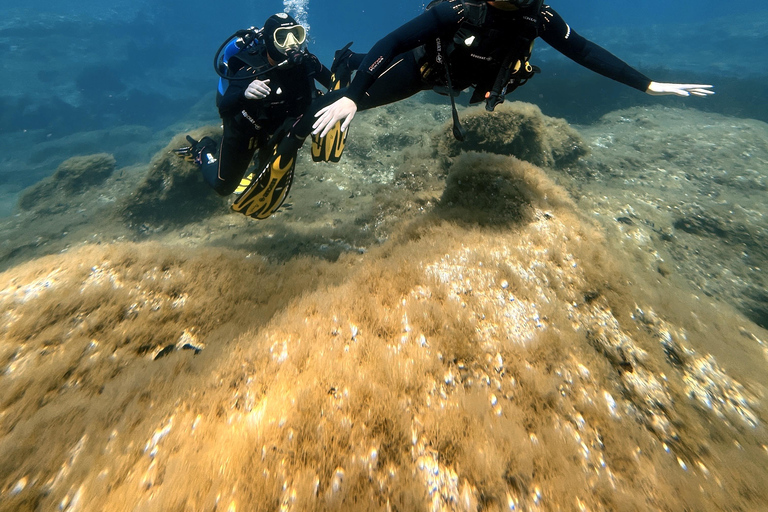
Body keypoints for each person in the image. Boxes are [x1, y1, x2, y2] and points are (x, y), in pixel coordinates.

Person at [304, 0, 714, 141]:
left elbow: (585, 51)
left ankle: (348, 69)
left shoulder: (540, 18)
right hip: (422, 71)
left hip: (456, 82)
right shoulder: (460, 10)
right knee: (338, 100)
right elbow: (392, 43)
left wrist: (647, 85)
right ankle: (343, 68)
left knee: (352, 91)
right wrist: (353, 97)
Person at [175, 12, 336, 219]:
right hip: (244, 129)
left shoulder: (306, 62)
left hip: (277, 127)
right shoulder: (249, 68)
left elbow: (334, 82)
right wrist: (244, 92)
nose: (291, 44)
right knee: (223, 187)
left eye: (296, 35)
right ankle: (203, 148)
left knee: (269, 162)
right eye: (282, 37)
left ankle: (262, 160)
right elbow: (225, 108)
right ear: (269, 40)